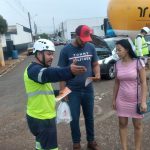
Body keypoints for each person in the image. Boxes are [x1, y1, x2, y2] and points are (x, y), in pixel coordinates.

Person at [23, 39, 87, 150]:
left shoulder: (37, 69)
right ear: (38, 53)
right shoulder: (33, 70)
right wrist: (69, 71)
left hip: (37, 117)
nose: (52, 57)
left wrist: (62, 92)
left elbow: (44, 92)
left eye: (52, 54)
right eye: (48, 54)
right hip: (43, 119)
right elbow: (48, 74)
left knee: (41, 146)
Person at [58, 25, 101, 150]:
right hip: (72, 90)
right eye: (82, 39)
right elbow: (61, 73)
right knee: (74, 118)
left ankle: (91, 141)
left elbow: (95, 64)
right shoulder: (66, 50)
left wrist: (97, 73)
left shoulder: (91, 47)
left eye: (86, 39)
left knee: (89, 116)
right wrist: (62, 93)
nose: (84, 42)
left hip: (88, 88)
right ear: (76, 36)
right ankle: (76, 143)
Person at [112, 39, 147, 150]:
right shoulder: (117, 64)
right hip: (121, 99)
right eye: (116, 50)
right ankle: (124, 148)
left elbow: (143, 82)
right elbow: (117, 83)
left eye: (119, 50)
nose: (117, 52)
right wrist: (114, 99)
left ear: (126, 50)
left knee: (137, 125)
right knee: (122, 124)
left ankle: (137, 148)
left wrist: (143, 101)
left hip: (136, 100)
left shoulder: (138, 62)